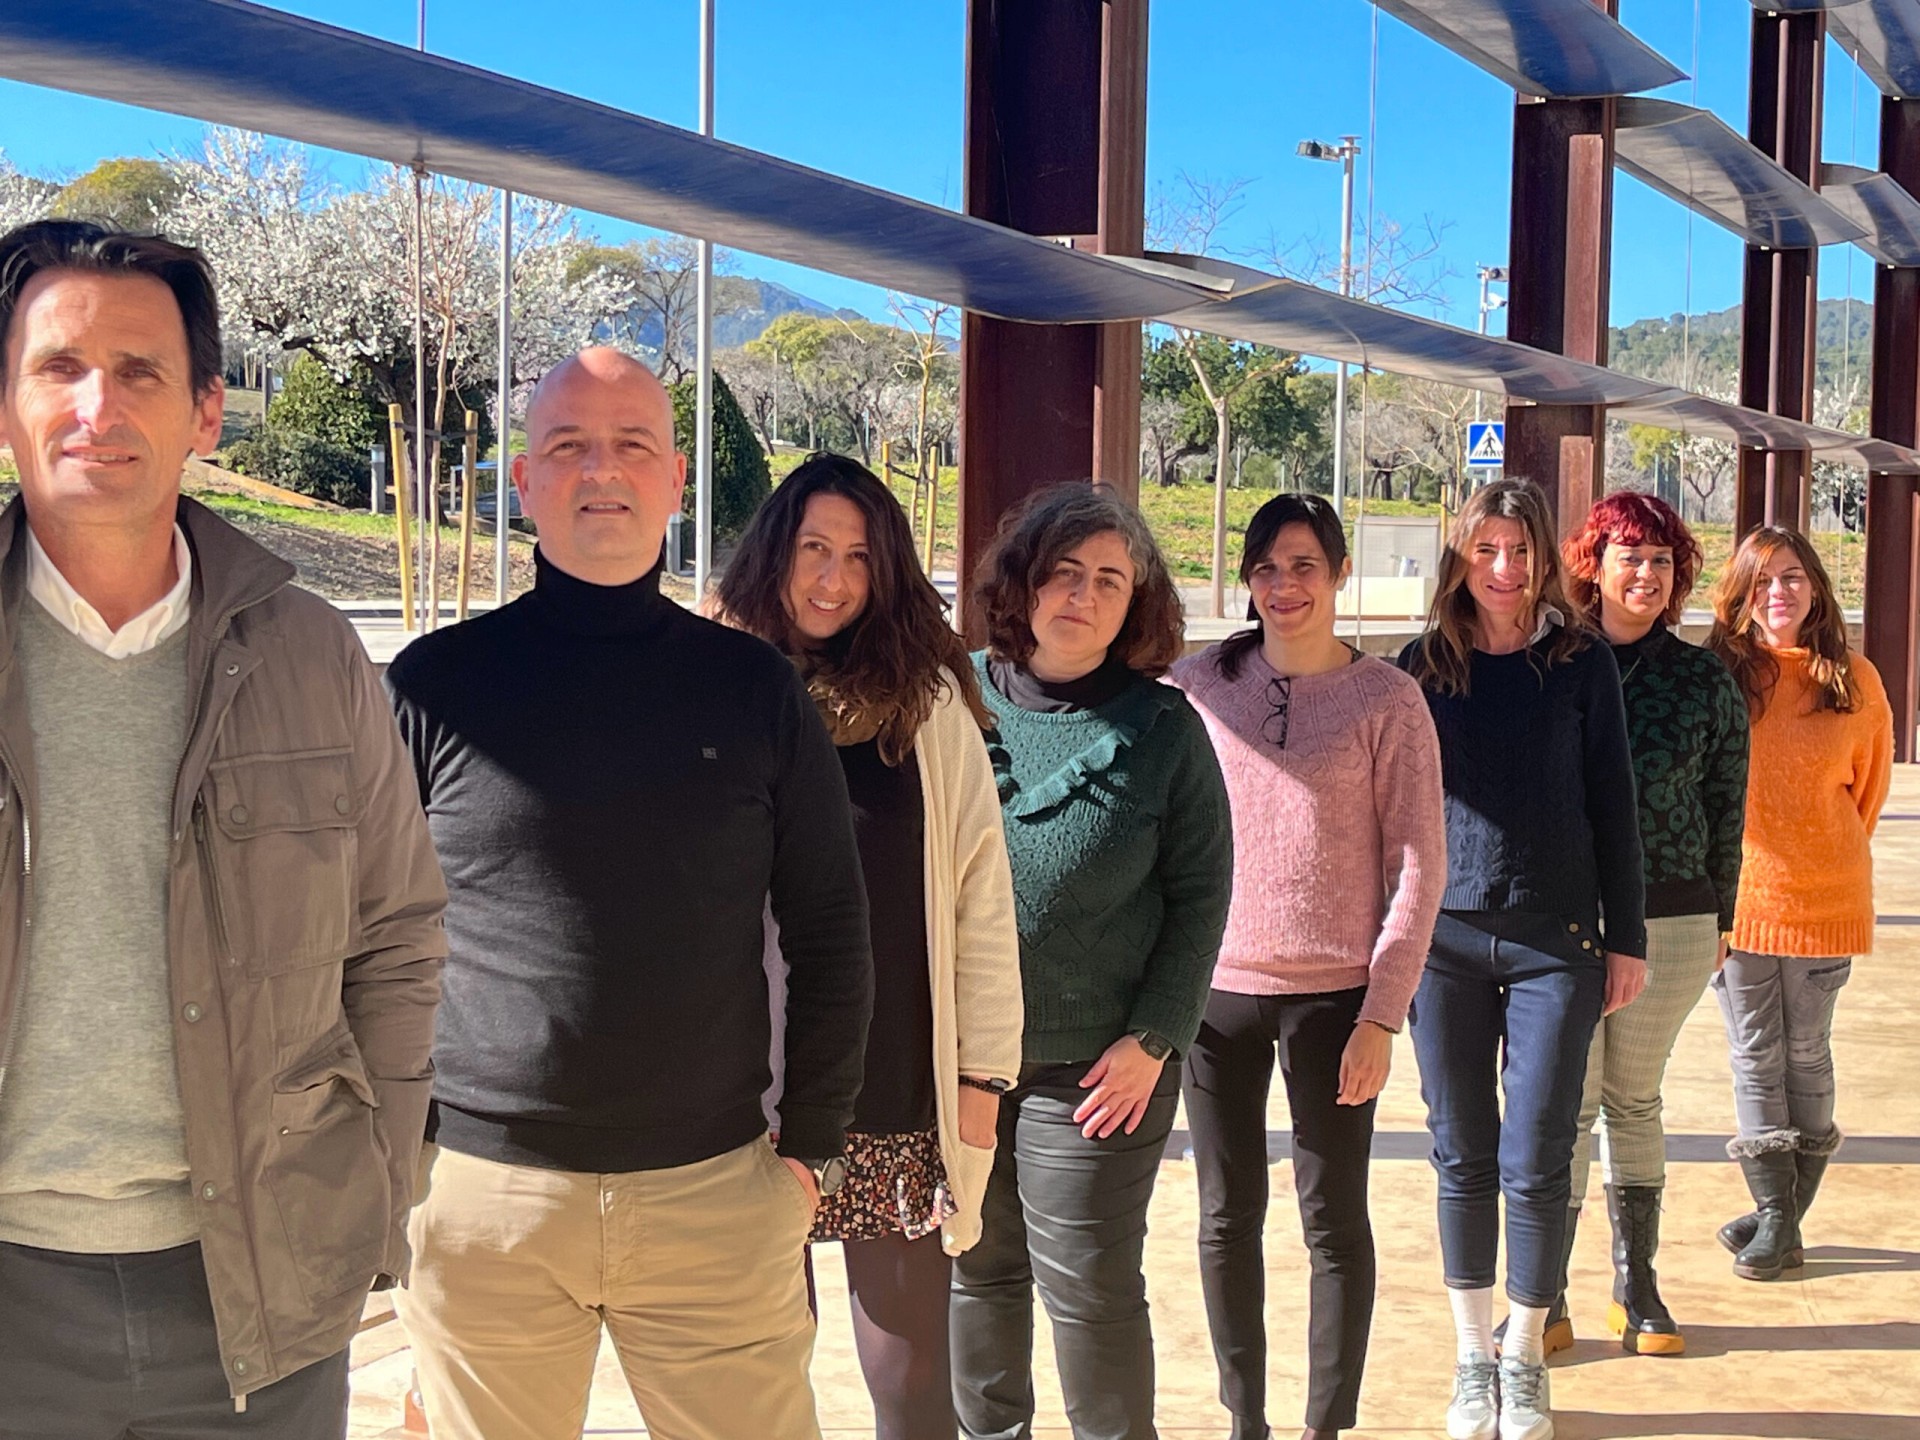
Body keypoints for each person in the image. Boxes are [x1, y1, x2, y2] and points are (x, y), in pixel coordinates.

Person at [0, 219, 446, 1438]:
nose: (98, 406)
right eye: (58, 366)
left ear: (206, 413)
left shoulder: (309, 653)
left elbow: (398, 933)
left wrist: (380, 1184)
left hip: (259, 1285)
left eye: (139, 371)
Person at [384, 348, 874, 1440]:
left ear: (676, 480)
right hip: (482, 1200)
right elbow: (359, 932)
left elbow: (832, 930)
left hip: (716, 1195)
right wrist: (396, 1153)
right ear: (522, 480)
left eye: (632, 445)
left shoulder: (756, 691)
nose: (600, 469)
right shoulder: (432, 686)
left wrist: (810, 1151)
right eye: (568, 446)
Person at [713, 452, 1023, 1440]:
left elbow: (979, 895)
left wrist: (981, 1077)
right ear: (774, 555)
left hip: (890, 1085)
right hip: (740, 1093)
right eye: (813, 549)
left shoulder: (930, 707)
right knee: (747, 1385)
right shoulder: (717, 691)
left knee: (910, 1386)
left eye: (856, 557)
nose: (832, 579)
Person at [950, 482, 1233, 1440]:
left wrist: (1156, 1039)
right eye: (1064, 571)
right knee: (977, 1266)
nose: (1083, 594)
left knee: (1089, 1283)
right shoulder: (950, 698)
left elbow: (1202, 897)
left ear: (1135, 603)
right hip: (963, 1060)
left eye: (1110, 580)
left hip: (1101, 1069)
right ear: (1023, 581)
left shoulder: (1166, 730)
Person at [1170, 493, 1446, 1440]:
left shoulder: (1387, 701)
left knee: (1332, 1218)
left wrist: (1383, 1013)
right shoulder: (1196, 686)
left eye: (1304, 567)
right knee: (1226, 1213)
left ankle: (1326, 1425)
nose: (1284, 587)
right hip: (1215, 996)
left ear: (1337, 576)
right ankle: (1244, 1419)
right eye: (1266, 569)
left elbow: (1418, 863)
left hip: (1335, 1002)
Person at [1396, 478, 1646, 1440]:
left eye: (1521, 550)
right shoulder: (1421, 667)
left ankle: (1525, 1356)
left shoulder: (1581, 664)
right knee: (1461, 1151)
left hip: (1558, 945)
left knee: (1538, 1154)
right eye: (1486, 549)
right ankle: (1473, 1357)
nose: (1504, 569)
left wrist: (1624, 939)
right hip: (1444, 944)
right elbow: (1388, 814)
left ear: (1544, 558)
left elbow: (1612, 804)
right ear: (1461, 555)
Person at [1556, 492, 1747, 1355]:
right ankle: (1545, 1293)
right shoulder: (1550, 664)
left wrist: (1723, 914)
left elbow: (1727, 808)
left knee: (1633, 1099)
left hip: (1672, 915)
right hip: (1562, 917)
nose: (1647, 574)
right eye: (1629, 556)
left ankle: (1637, 1288)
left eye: (1662, 560)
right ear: (1592, 566)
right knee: (1563, 1104)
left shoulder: (1703, 680)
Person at [1706, 526, 1892, 1282]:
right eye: (1761, 581)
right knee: (1755, 1055)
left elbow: (1868, 794)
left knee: (1806, 1050)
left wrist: (1822, 854)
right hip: (1740, 903)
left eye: (1791, 577)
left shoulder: (1854, 679)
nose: (1777, 592)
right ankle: (1777, 1217)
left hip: (1825, 900)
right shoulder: (1721, 676)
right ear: (1740, 596)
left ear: (1815, 587)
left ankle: (1780, 1219)